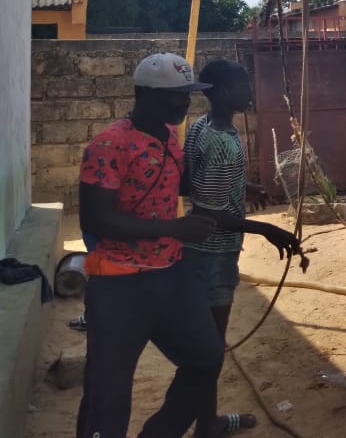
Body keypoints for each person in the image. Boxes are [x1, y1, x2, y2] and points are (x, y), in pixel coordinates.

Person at [77, 53, 223, 438]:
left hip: (170, 275)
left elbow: (170, 185)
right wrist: (175, 228)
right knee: (107, 393)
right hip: (119, 282)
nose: (185, 103)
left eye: (188, 95)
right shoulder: (109, 145)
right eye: (177, 96)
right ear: (146, 94)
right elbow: (98, 220)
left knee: (206, 359)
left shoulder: (168, 136)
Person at [183, 59, 302, 435]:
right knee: (211, 344)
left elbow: (191, 182)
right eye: (243, 87)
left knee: (206, 341)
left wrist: (244, 188)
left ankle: (204, 417)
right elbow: (209, 211)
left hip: (203, 250)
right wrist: (267, 229)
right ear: (222, 94)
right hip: (214, 252)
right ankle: (206, 423)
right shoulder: (220, 140)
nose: (250, 93)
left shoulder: (205, 128)